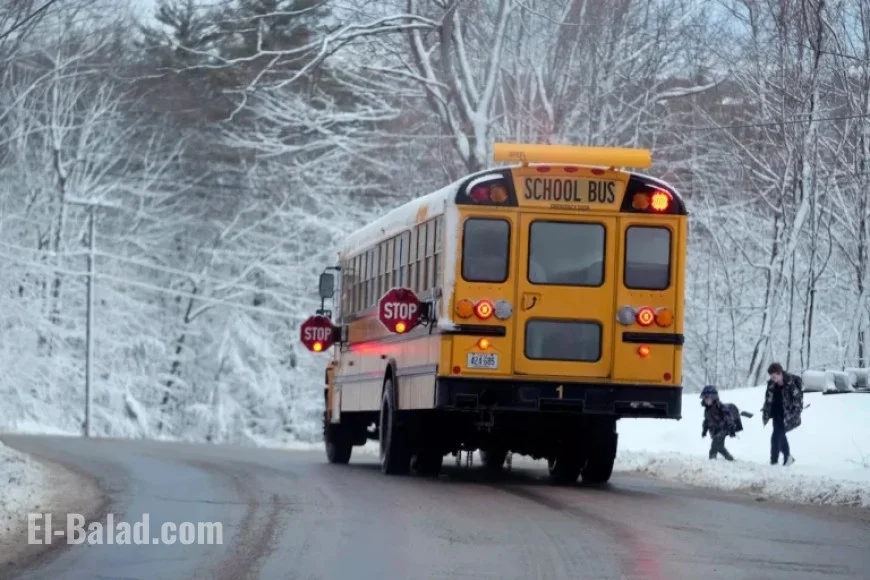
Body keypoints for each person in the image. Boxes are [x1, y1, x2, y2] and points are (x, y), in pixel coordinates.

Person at [761, 362, 804, 466]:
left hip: (787, 415)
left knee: (776, 436)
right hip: (775, 414)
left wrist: (793, 413)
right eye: (771, 377)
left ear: (780, 374)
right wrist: (766, 411)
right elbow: (768, 399)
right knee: (779, 435)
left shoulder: (790, 383)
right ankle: (786, 457)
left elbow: (798, 400)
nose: (773, 379)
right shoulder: (771, 384)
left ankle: (774, 461)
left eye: (775, 377)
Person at [700, 385, 735, 461]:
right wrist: (704, 431)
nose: (706, 400)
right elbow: (706, 421)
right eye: (705, 398)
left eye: (708, 398)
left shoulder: (720, 407)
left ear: (713, 397)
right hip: (714, 431)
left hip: (722, 430)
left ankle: (712, 459)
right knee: (720, 447)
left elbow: (728, 418)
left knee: (714, 446)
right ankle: (730, 459)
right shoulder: (707, 410)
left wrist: (731, 429)